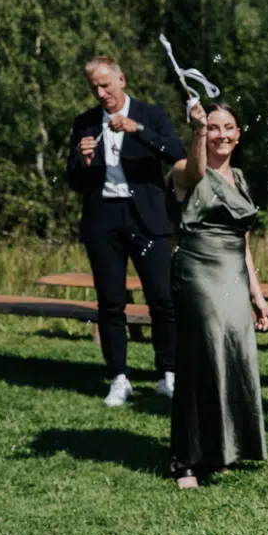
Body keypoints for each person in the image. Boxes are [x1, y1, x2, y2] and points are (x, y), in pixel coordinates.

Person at [65, 55, 185, 408]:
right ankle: (119, 377)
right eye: (94, 88)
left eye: (105, 85)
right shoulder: (84, 123)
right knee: (111, 303)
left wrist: (139, 131)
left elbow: (177, 154)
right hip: (103, 219)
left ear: (122, 79)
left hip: (148, 219)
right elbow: (74, 179)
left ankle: (168, 374)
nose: (101, 93)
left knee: (163, 300)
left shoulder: (151, 114)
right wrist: (84, 163)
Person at [167, 102, 268, 487]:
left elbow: (244, 246)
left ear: (239, 133)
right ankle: (185, 462)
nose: (222, 135)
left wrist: (257, 296)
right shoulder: (184, 170)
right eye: (213, 128)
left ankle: (221, 449)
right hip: (198, 273)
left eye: (228, 127)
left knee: (232, 358)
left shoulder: (242, 179)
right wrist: (196, 130)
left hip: (232, 275)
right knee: (201, 361)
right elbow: (196, 174)